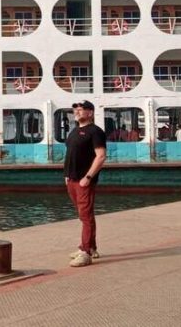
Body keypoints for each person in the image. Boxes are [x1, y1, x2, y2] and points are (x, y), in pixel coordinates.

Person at [63, 100, 107, 267]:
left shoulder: (95, 132)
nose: (77, 112)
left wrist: (88, 177)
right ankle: (91, 247)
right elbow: (71, 154)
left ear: (90, 113)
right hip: (71, 179)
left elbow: (101, 156)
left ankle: (85, 252)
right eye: (76, 109)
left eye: (81, 109)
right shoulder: (75, 131)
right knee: (84, 214)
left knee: (85, 215)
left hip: (83, 181)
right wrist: (66, 175)